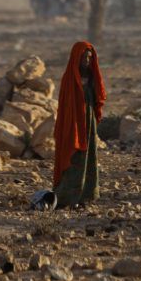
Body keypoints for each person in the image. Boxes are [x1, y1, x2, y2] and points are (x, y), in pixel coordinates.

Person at [52, 41, 106, 208]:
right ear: (76, 58)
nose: (87, 61)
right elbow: (66, 108)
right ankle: (66, 198)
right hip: (73, 125)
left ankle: (86, 196)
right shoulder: (69, 79)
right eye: (84, 58)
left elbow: (98, 99)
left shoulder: (91, 79)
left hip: (88, 124)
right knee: (74, 157)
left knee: (89, 157)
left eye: (90, 58)